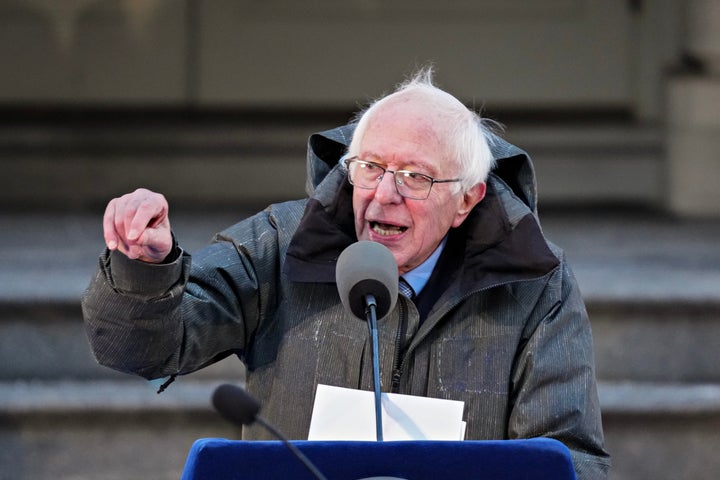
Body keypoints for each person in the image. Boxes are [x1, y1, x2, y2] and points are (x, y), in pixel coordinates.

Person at [82, 67, 610, 478]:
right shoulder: (281, 243)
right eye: (371, 168)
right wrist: (146, 268)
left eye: (414, 177)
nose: (384, 194)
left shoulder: (537, 285)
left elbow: (566, 459)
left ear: (467, 199)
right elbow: (141, 349)